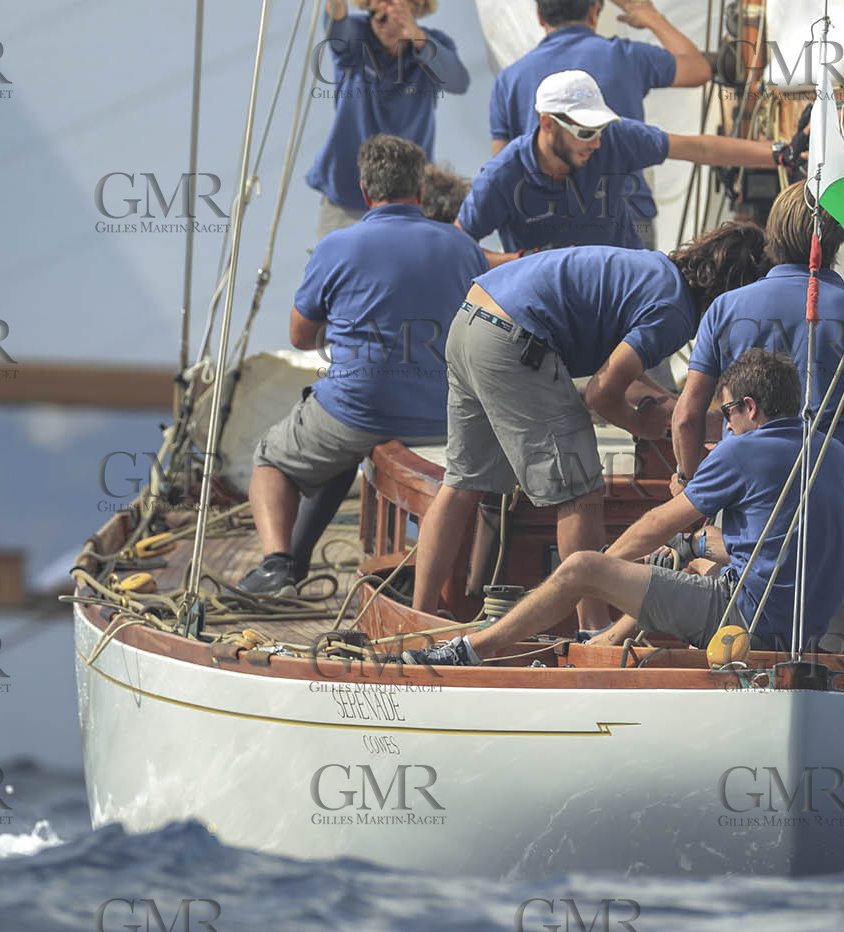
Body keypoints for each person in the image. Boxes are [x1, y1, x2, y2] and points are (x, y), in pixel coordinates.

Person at [409, 221, 770, 632]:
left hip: (474, 315)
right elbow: (599, 395)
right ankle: (593, 632)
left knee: (462, 482)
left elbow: (619, 374)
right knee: (580, 489)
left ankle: (420, 616)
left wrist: (664, 407)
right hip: (517, 338)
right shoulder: (675, 313)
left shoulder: (656, 273)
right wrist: (642, 425)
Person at [403, 349, 844, 665]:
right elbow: (772, 545)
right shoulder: (831, 451)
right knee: (692, 565)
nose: (727, 424)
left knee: (580, 568)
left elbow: (658, 522)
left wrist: (599, 570)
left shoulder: (743, 451)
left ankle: (476, 649)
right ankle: (604, 644)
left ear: (750, 408)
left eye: (729, 412)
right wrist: (692, 546)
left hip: (750, 619)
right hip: (805, 627)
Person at [240, 135, 488, 594]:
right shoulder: (463, 247)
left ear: (364, 191)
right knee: (341, 440)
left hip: (359, 407)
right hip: (443, 414)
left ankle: (278, 566)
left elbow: (301, 335)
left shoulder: (337, 246)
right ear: (419, 192)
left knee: (272, 460)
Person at [672, 180, 844, 651]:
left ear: (771, 238)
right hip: (838, 501)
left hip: (745, 501)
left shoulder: (725, 309)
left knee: (740, 644)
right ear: (838, 240)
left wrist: (690, 484)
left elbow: (685, 417)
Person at [458, 70, 800, 264]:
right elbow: (456, 248)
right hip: (550, 306)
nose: (596, 142)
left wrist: (781, 153)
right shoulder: (501, 176)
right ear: (547, 124)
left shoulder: (614, 138)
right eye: (586, 131)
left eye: (600, 129)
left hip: (626, 288)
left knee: (659, 384)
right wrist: (527, 259)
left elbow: (698, 147)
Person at [490, 0, 712, 250]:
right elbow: (698, 69)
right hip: (627, 221)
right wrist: (650, 16)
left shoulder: (508, 81)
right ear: (594, 11)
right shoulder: (625, 56)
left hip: (545, 228)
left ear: (540, 16)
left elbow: (502, 166)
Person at [305, 0, 470, 240]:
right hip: (348, 193)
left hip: (409, 197)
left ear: (415, 10)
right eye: (379, 15)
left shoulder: (431, 46)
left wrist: (413, 33)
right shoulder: (357, 37)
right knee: (335, 269)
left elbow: (457, 80)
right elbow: (336, 24)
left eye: (398, 15)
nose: (388, 25)